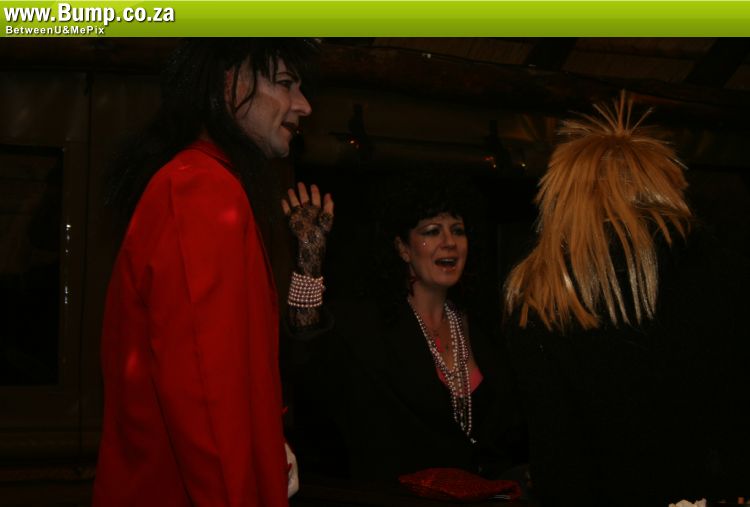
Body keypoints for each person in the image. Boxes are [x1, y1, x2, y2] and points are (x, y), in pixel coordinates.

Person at [93, 39, 318, 507]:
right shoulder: (200, 188)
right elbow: (205, 395)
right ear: (227, 82)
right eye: (284, 84)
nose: (303, 105)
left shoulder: (199, 180)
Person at [503, 93, 750, 506]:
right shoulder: (723, 272)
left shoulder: (542, 294)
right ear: (662, 184)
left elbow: (557, 457)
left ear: (564, 197)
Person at [281, 170, 526, 483]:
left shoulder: (482, 329)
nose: (449, 242)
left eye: (458, 230)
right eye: (432, 231)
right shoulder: (369, 326)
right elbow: (306, 347)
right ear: (403, 248)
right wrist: (309, 257)